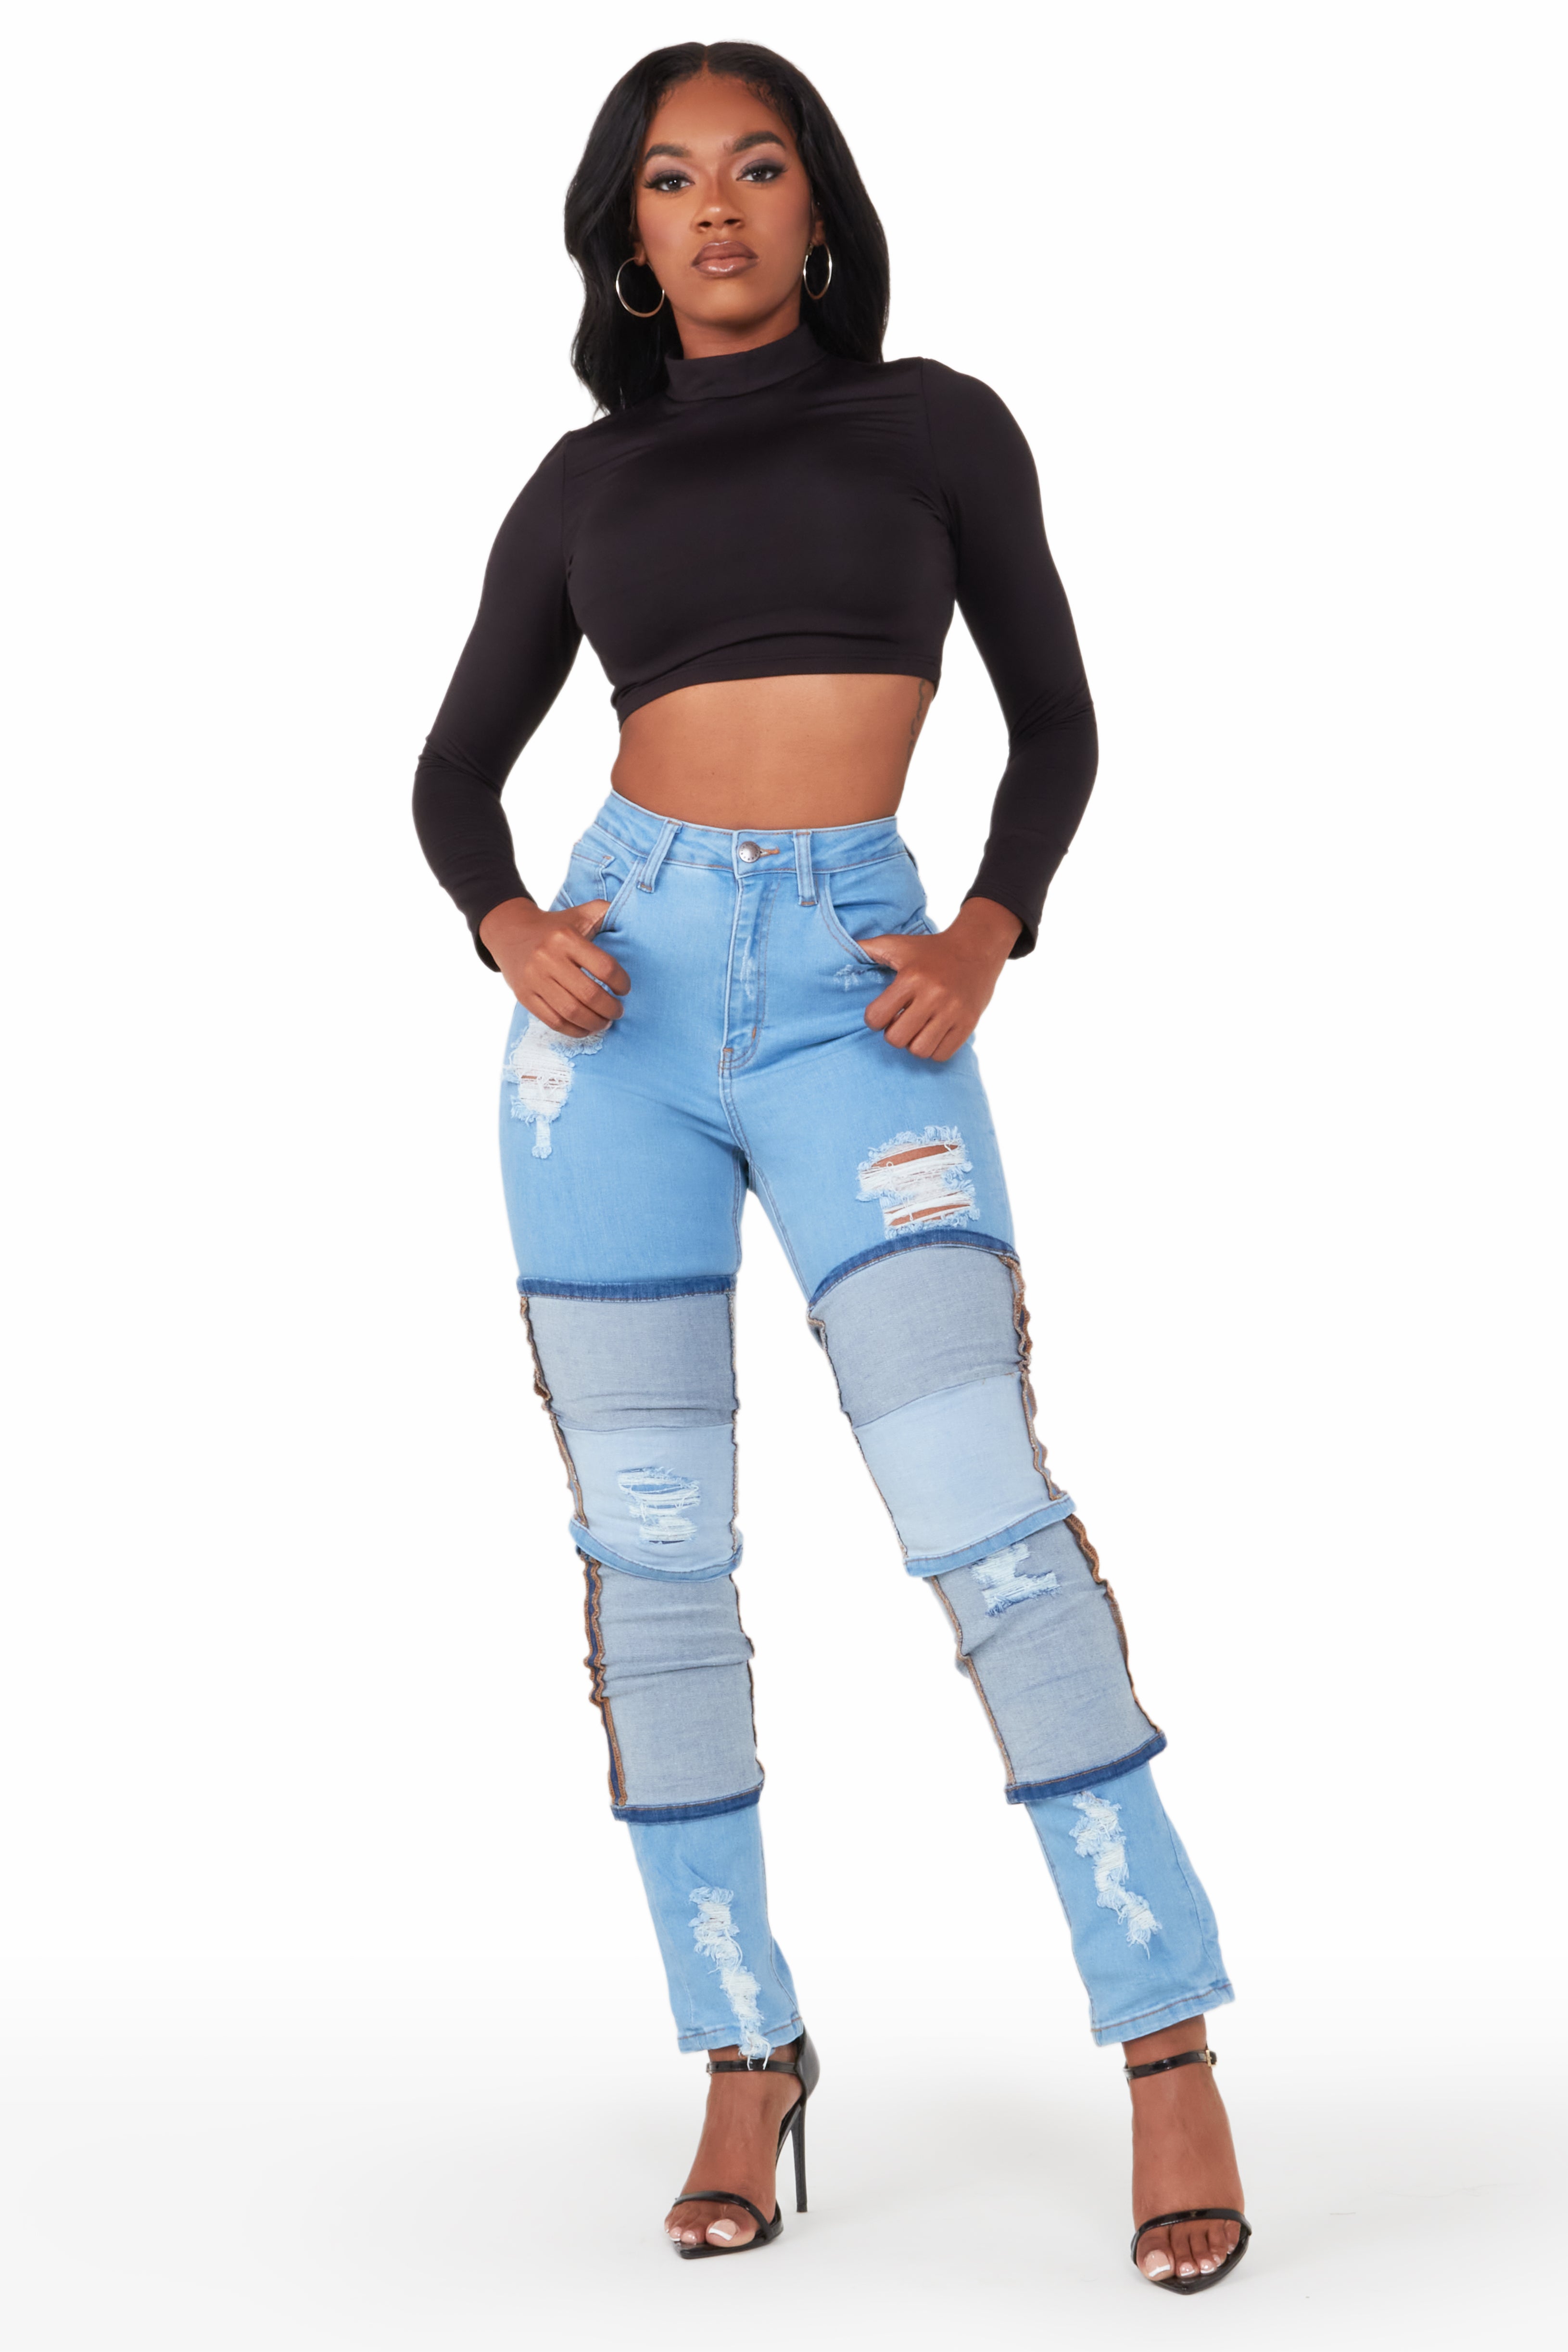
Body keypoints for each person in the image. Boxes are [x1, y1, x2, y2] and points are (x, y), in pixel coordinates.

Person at [413, 41, 1249, 2292]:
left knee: (985, 1512)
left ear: (816, 207)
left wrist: (986, 928)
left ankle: (1163, 2033)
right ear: (625, 234)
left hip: (859, 995)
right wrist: (507, 921)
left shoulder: (934, 426)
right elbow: (453, 775)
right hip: (612, 1014)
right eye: (669, 178)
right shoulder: (580, 480)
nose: (714, 206)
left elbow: (1055, 717)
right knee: (653, 1562)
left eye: (756, 167)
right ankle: (740, 2044)